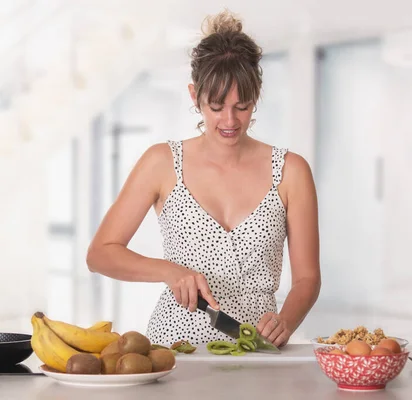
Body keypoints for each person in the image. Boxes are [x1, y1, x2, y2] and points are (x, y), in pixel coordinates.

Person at [86, 10, 321, 348]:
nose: (230, 120)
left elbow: (308, 279)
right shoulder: (161, 162)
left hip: (255, 349)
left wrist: (286, 320)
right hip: (173, 351)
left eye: (242, 106)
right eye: (216, 106)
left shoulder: (290, 171)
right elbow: (100, 254)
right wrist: (170, 271)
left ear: (256, 97)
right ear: (194, 95)